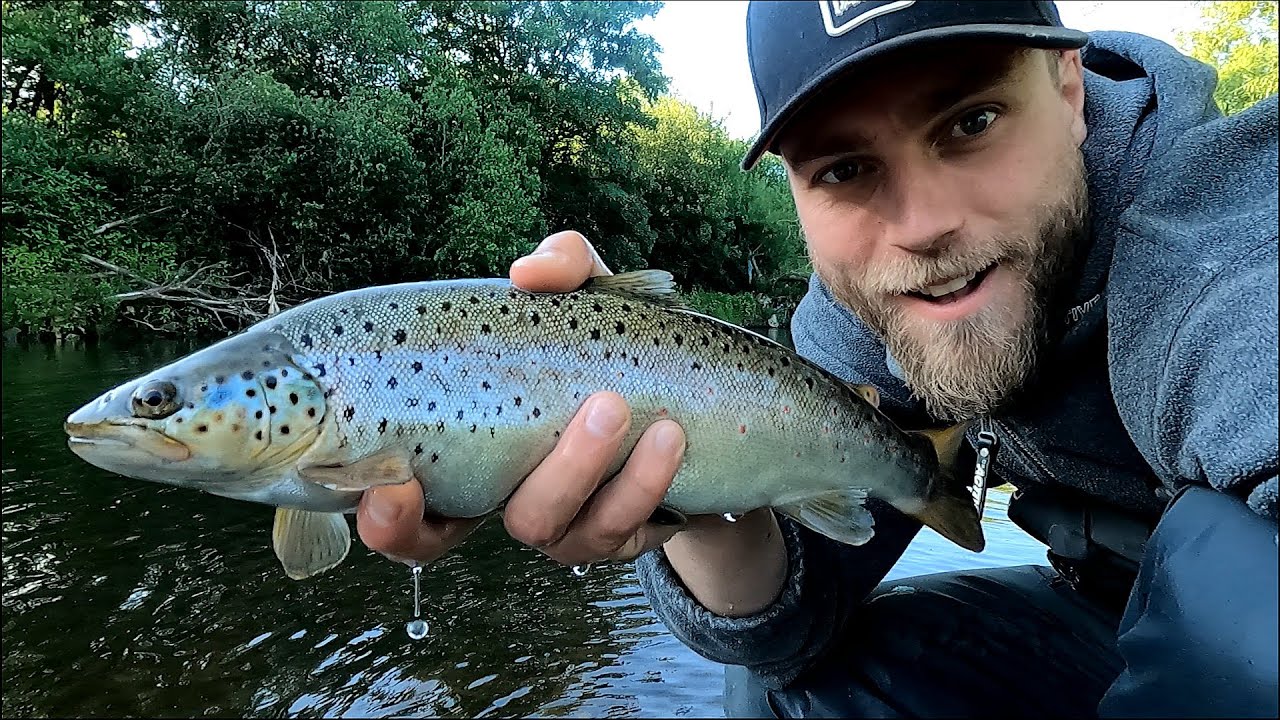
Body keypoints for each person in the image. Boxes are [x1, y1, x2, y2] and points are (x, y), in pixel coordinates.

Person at [355, 1, 1279, 716]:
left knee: (1246, 602)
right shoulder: (865, 312)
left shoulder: (1227, 238)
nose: (921, 229)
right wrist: (694, 485)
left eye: (971, 121)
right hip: (1100, 612)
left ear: (1070, 89)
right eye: (843, 169)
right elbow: (785, 623)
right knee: (777, 684)